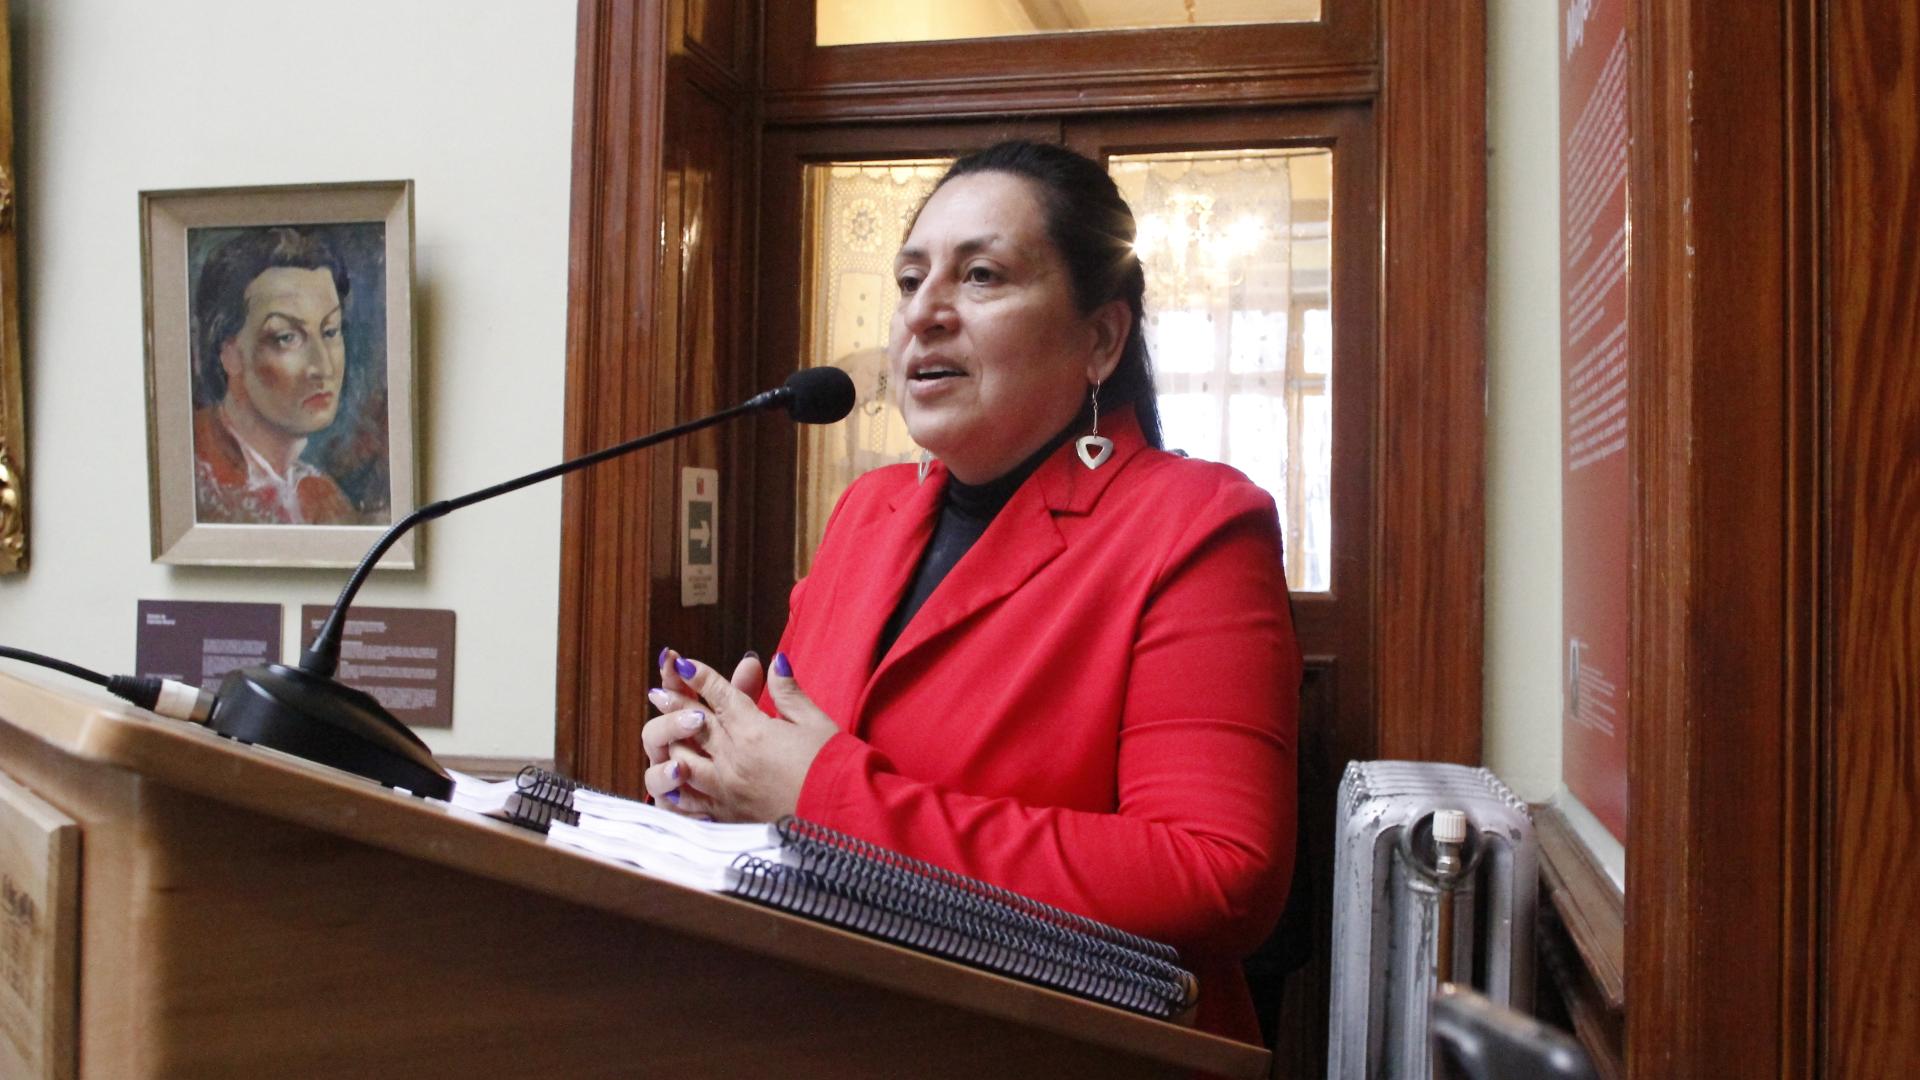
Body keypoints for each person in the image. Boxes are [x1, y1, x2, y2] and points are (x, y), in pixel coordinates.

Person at [644, 141, 1301, 1043]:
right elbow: (789, 765)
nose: (925, 313)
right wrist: (713, 766)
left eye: (980, 275)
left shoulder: (1197, 525)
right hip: (807, 1026)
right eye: (910, 280)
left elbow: (1218, 875)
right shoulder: (866, 513)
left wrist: (824, 799)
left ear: (1101, 337)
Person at [190, 226, 359, 525]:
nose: (323, 368)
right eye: (286, 337)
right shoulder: (193, 475)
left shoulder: (324, 499)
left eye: (330, 331)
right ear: (228, 353)